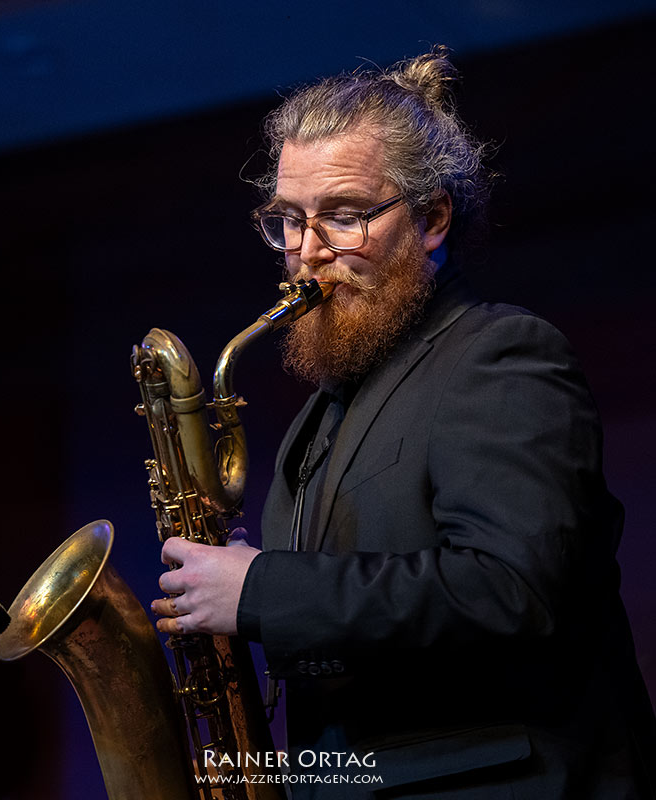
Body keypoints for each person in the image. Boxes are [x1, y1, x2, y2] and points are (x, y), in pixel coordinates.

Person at [151, 46, 656, 798]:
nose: (307, 255)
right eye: (287, 221)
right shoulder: (327, 411)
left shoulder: (500, 354)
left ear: (431, 217)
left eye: (344, 217)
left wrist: (262, 590)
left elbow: (511, 588)